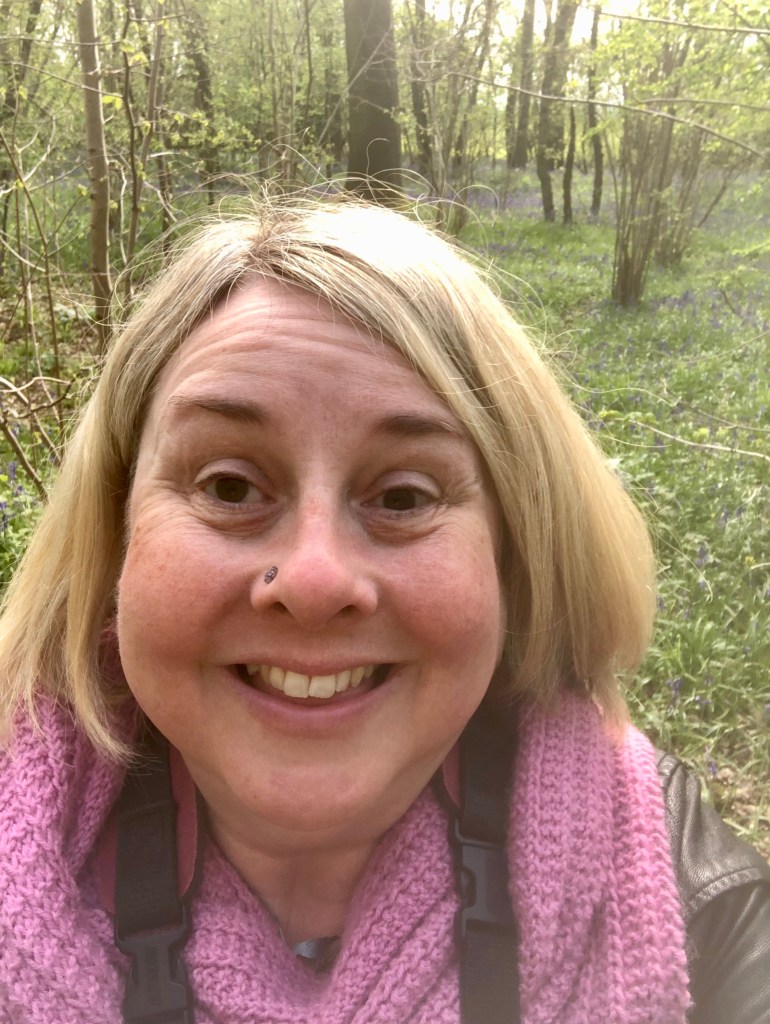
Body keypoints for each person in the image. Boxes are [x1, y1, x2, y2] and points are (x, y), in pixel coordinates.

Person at [0, 197, 767, 1024]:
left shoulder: (690, 894)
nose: (317, 578)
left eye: (403, 495)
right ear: (113, 540)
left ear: (514, 556)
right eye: (228, 487)